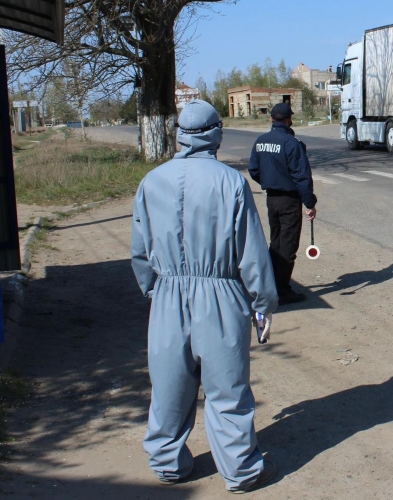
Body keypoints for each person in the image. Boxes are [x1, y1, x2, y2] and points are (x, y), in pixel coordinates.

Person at [131, 99, 278, 493]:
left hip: (167, 295)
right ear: (216, 134)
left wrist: (155, 291)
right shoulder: (230, 182)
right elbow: (251, 251)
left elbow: (140, 253)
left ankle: (168, 463)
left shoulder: (151, 181)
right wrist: (263, 303)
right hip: (220, 294)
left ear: (179, 134)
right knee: (227, 389)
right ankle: (241, 471)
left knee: (169, 386)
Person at [248, 103, 317, 305]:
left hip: (271, 199)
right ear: (288, 119)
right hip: (288, 200)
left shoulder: (260, 141)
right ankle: (283, 291)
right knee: (288, 245)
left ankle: (272, 284)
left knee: (276, 243)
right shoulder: (291, 143)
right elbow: (302, 176)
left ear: (271, 119)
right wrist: (309, 203)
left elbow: (253, 169)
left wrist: (268, 181)